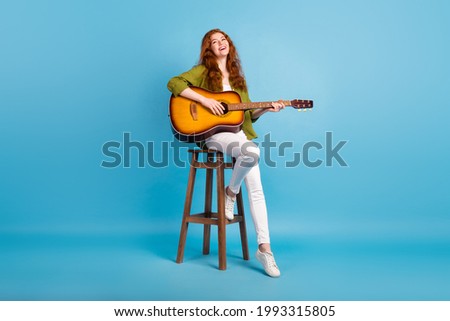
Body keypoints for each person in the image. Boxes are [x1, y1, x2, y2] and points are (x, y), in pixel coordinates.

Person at [167, 28, 285, 277]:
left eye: (223, 39)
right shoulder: (202, 71)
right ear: (208, 48)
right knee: (251, 152)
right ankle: (230, 191)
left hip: (238, 135)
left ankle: (264, 248)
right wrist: (204, 100)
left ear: (229, 44)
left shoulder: (238, 78)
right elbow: (174, 83)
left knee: (257, 188)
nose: (220, 43)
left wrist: (267, 109)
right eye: (214, 41)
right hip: (213, 136)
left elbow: (247, 115)